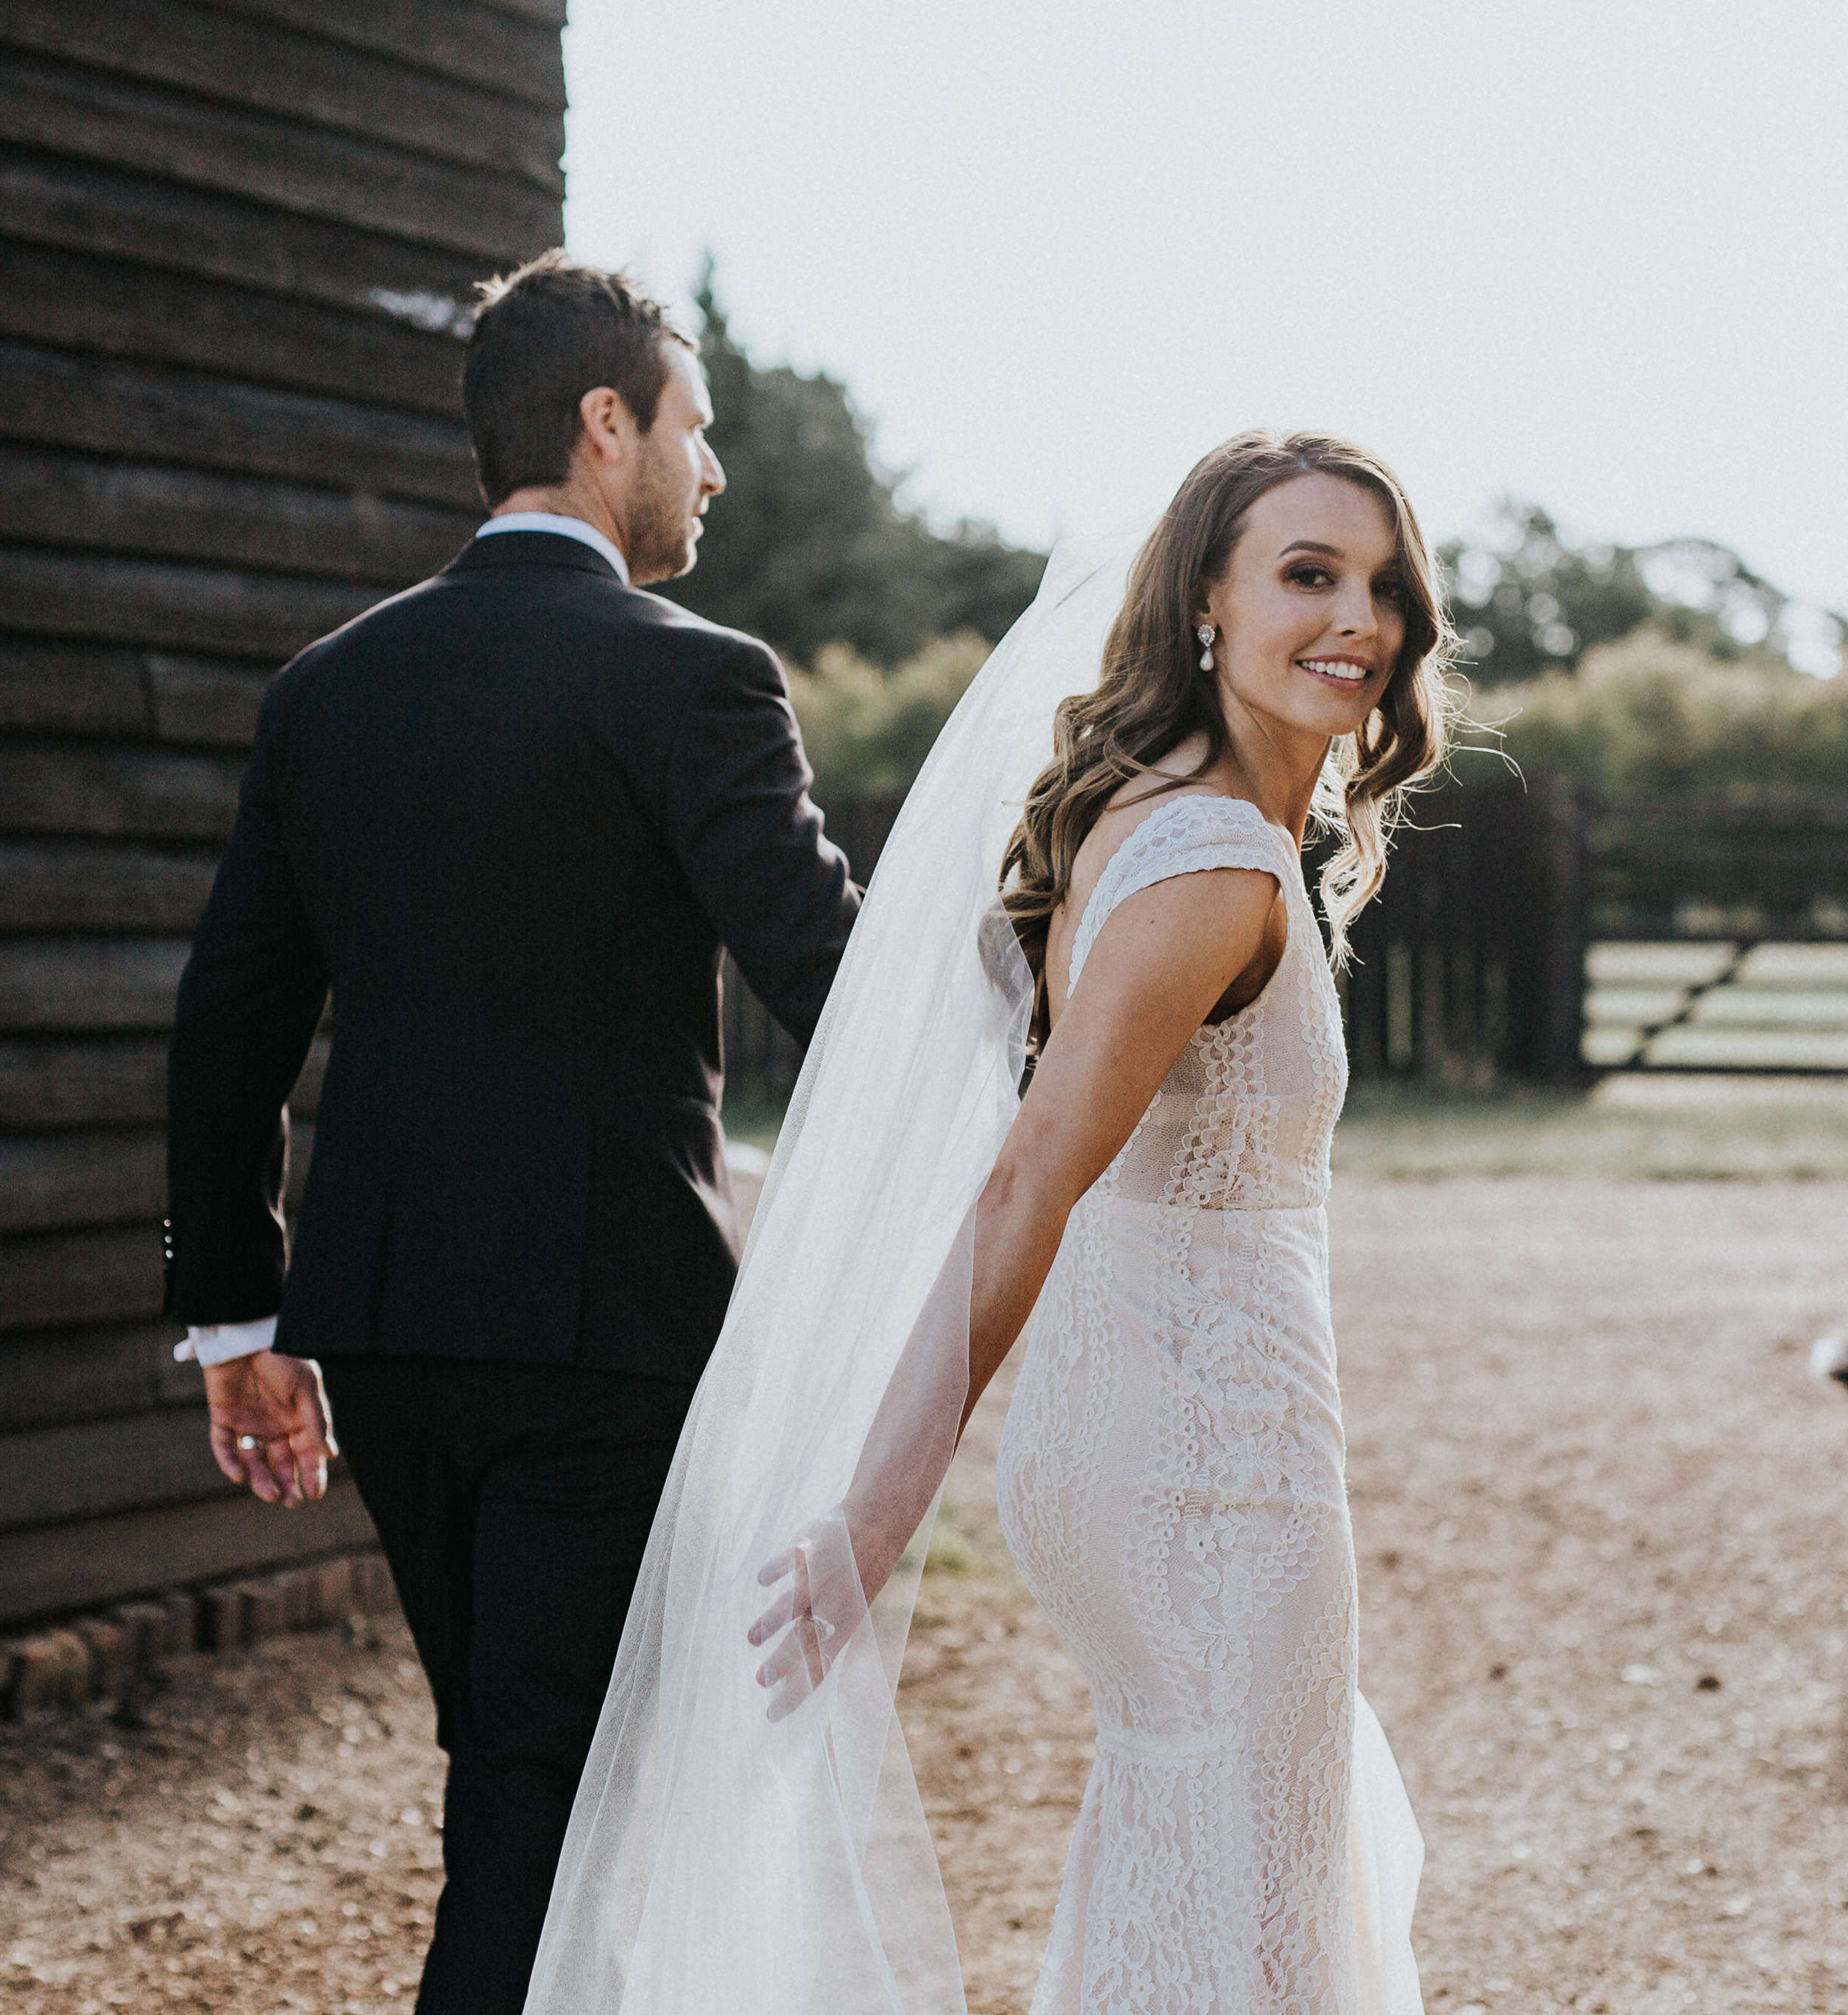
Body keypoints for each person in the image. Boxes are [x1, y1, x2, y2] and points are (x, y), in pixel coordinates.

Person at [531, 432, 1458, 2015]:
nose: (1357, 618)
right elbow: (1028, 1175)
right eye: (1307, 575)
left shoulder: (1161, 821)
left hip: (1166, 1445)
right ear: (1207, 608)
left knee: (1202, 1857)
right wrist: (871, 1523)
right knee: (1248, 1893)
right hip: (1210, 1475)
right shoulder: (1217, 861)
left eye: (1382, 583)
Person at [160, 252, 860, 2015]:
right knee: (541, 1816)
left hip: (383, 1332)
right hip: (603, 1339)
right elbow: (830, 978)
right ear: (603, 422)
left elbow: (223, 1031)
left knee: (521, 1772)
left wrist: (234, 1318)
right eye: (693, 430)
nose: (712, 473)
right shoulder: (695, 680)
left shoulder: (329, 690)